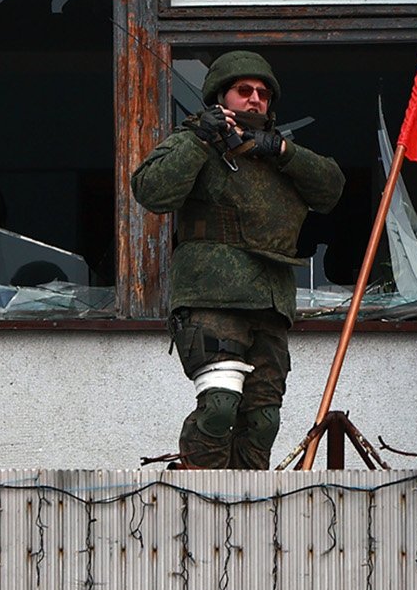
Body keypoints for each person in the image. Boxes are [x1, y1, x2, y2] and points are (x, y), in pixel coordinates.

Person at [131, 51, 346, 469]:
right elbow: (152, 191)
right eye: (243, 91)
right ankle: (201, 495)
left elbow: (330, 190)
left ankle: (247, 510)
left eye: (263, 94)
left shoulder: (280, 153)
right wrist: (199, 140)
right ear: (220, 97)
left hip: (269, 304)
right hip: (211, 299)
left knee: (263, 420)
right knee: (220, 406)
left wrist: (283, 150)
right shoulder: (193, 140)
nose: (254, 100)